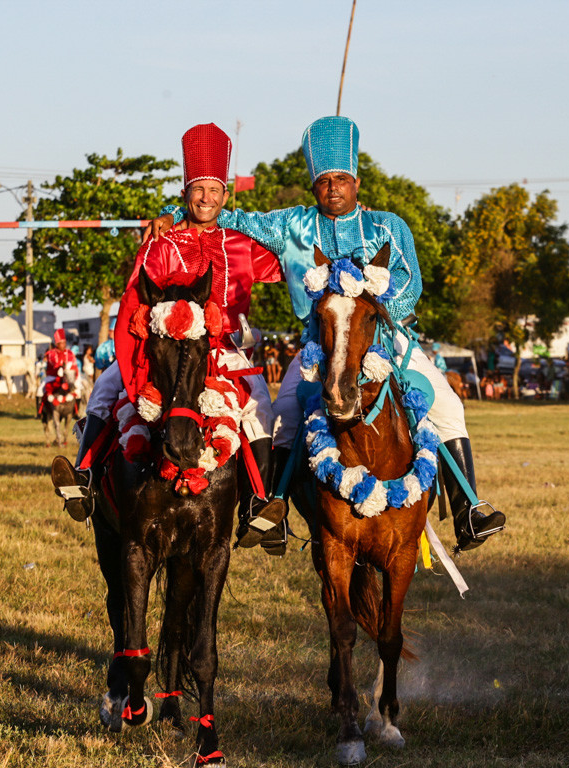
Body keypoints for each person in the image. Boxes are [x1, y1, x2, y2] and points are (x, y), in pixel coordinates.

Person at [147, 116, 505, 553]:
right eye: (323, 181)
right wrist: (173, 212)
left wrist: (368, 305)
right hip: (317, 348)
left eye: (341, 179)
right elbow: (228, 214)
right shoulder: (291, 226)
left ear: (357, 180)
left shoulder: (389, 227)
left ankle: (468, 510)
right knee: (281, 418)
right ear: (313, 187)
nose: (332, 187)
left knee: (447, 405)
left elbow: (411, 286)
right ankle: (270, 510)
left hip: (389, 342)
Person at [53, 121, 287, 552]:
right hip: (166, 349)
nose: (206, 198)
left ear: (225, 197)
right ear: (185, 193)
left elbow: (286, 259)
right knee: (106, 389)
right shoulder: (163, 240)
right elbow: (138, 295)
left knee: (261, 404)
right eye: (198, 189)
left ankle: (259, 506)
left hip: (227, 350)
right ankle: (83, 480)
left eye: (215, 190)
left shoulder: (242, 244)